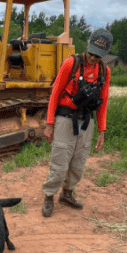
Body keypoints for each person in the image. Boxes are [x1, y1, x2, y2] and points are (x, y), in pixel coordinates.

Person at [41, 27, 113, 217]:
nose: (93, 58)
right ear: (88, 44)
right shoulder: (71, 63)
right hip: (65, 118)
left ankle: (67, 194)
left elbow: (103, 102)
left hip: (87, 121)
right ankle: (49, 196)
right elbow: (55, 93)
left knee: (78, 163)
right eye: (91, 53)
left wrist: (102, 131)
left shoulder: (104, 72)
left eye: (98, 56)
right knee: (60, 162)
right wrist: (49, 124)